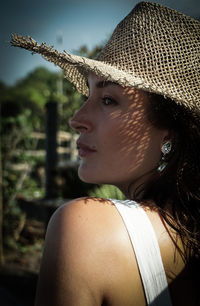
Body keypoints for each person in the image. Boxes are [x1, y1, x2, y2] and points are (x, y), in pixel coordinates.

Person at [11, 2, 200, 305]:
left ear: (171, 132)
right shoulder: (189, 238)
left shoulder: (85, 227)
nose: (76, 119)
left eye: (109, 100)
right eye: (88, 95)